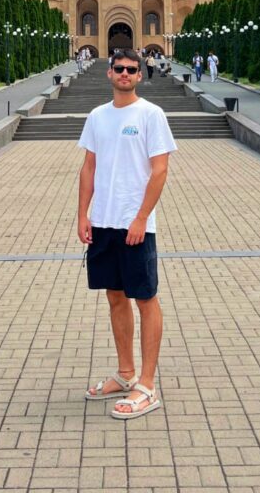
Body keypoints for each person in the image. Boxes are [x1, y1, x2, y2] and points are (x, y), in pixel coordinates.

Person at [77, 49, 176, 420]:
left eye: (131, 70)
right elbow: (88, 167)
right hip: (103, 223)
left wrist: (140, 218)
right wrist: (82, 214)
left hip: (136, 225)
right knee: (115, 297)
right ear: (109, 72)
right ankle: (125, 373)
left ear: (140, 75)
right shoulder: (97, 116)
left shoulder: (151, 114)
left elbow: (160, 170)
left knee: (145, 299)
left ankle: (147, 386)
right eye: (118, 68)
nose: (124, 74)